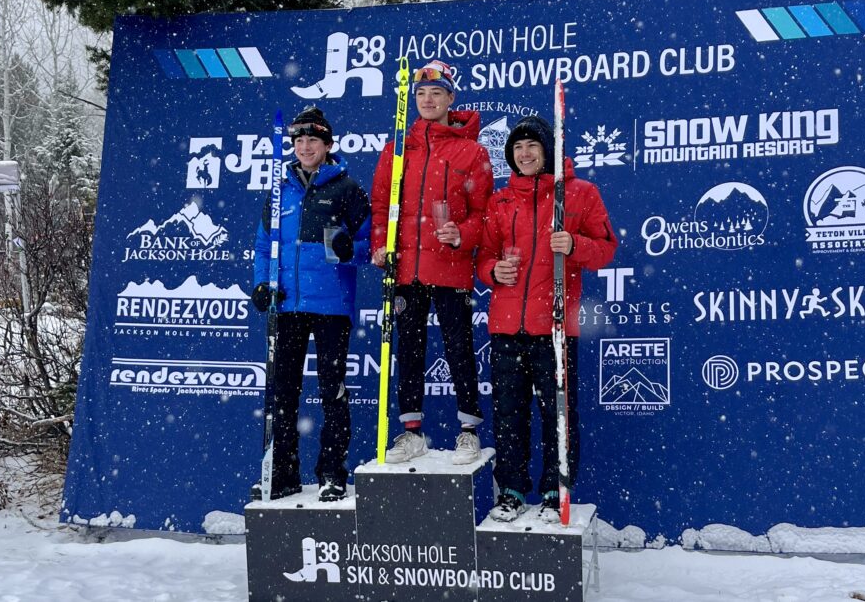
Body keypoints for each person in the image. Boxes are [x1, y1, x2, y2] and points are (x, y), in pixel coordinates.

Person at [476, 115, 617, 522]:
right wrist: (491, 271)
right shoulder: (500, 201)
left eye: (532, 146)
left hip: (554, 327)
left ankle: (557, 489)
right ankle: (513, 490)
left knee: (557, 413)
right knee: (508, 414)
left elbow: (606, 249)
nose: (524, 154)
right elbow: (483, 256)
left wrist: (574, 244)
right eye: (517, 148)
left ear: (547, 151)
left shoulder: (579, 193)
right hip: (506, 326)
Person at [370, 60, 494, 464]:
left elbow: (484, 215)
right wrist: (379, 245)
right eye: (421, 94)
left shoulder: (472, 151)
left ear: (450, 99)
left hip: (451, 266)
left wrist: (462, 234)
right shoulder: (397, 149)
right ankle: (411, 433)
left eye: (436, 93)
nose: (427, 100)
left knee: (459, 347)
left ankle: (469, 431)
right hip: (405, 268)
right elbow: (380, 206)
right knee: (409, 348)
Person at [250, 106, 370, 502]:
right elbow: (264, 244)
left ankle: (332, 473)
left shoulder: (347, 188)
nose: (305, 147)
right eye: (299, 141)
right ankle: (281, 474)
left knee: (332, 390)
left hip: (332, 305)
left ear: (327, 145)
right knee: (283, 392)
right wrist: (261, 284)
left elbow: (371, 246)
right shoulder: (278, 187)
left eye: (312, 141)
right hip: (286, 304)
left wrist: (349, 248)